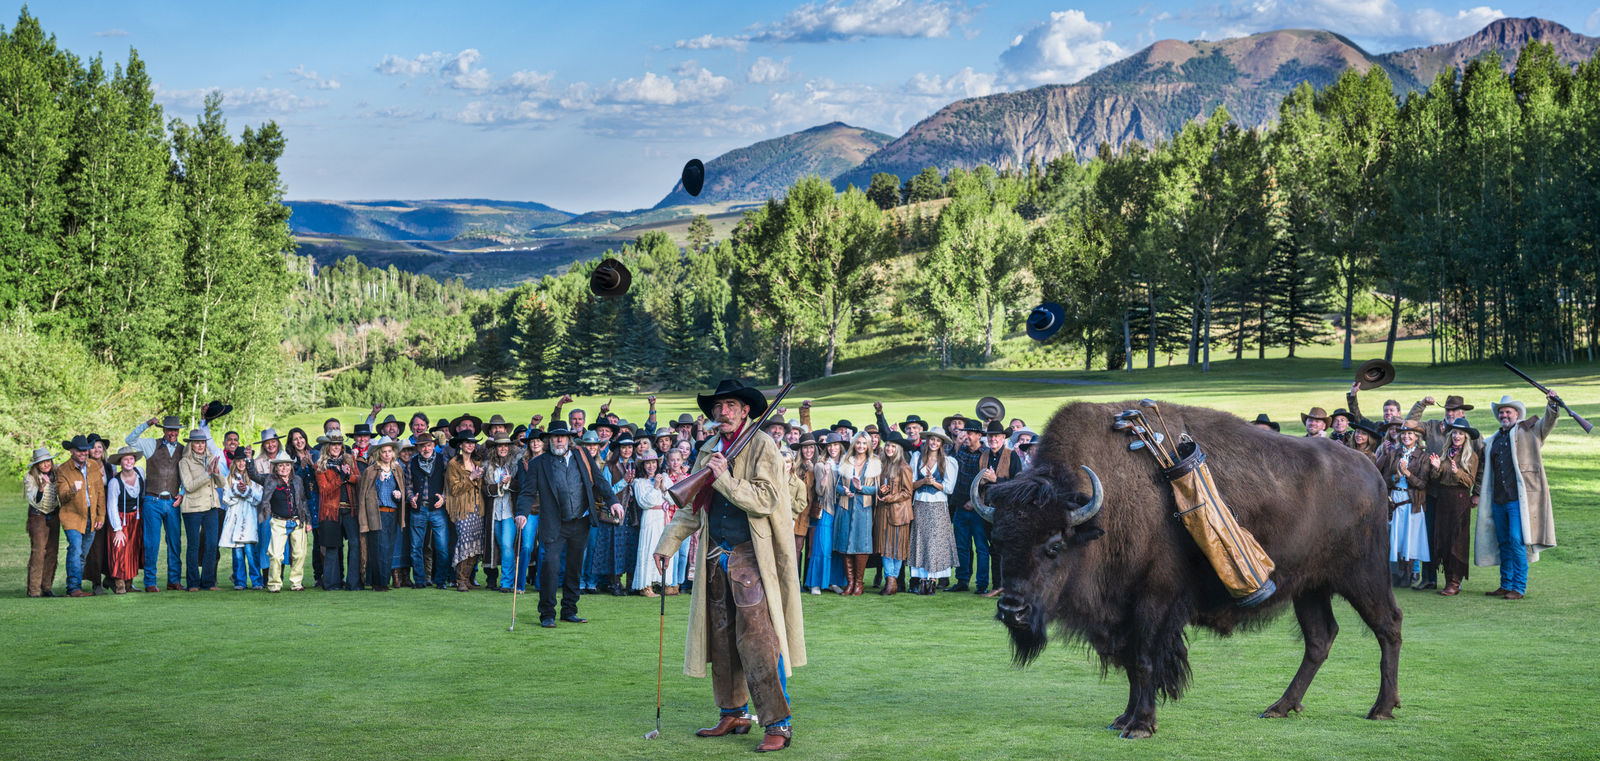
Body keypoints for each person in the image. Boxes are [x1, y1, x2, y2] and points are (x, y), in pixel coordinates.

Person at [651, 378, 805, 752]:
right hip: (716, 556)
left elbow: (767, 499)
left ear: (745, 410)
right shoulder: (708, 449)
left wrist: (726, 479)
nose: (723, 412)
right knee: (720, 639)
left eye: (731, 406)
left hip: (753, 554)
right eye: (718, 407)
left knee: (760, 641)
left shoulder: (763, 444)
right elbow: (692, 506)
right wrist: (667, 543)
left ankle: (778, 724)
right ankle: (732, 712)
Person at [513, 424, 622, 628]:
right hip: (554, 523)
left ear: (569, 439)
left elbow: (599, 481)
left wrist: (613, 501)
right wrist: (521, 513)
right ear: (549, 441)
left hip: (580, 521)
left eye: (562, 437)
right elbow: (527, 492)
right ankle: (547, 614)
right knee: (550, 568)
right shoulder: (538, 463)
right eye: (555, 438)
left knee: (574, 569)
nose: (559, 441)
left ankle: (569, 611)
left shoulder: (582, 456)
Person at [1475, 392, 1562, 601]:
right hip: (1498, 500)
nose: (1504, 415)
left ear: (1516, 414)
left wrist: (1552, 404)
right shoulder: (1493, 440)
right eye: (1501, 412)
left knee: (1516, 541)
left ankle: (1519, 587)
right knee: (1503, 542)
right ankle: (1505, 585)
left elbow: (1548, 422)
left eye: (1508, 412)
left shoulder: (1530, 432)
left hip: (1518, 500)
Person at [125, 415, 186, 592]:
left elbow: (188, 473)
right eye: (169, 430)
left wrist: (182, 493)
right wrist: (147, 424)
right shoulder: (152, 444)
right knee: (151, 543)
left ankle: (173, 580)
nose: (172, 433)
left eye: (175, 430)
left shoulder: (183, 449)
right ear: (164, 430)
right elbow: (130, 440)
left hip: (173, 502)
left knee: (175, 543)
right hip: (152, 500)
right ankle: (150, 582)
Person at [1429, 419, 1482, 597]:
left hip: (1459, 500)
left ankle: (1455, 582)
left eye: (1460, 433)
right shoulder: (1445, 454)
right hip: (1443, 499)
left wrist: (1457, 472)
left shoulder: (1471, 456)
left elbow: (1469, 482)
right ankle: (1448, 580)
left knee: (1457, 541)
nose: (1457, 436)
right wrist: (1436, 468)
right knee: (1443, 539)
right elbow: (1436, 478)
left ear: (1465, 437)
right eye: (1454, 433)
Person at [1378, 420, 1432, 589]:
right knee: (1394, 538)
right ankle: (1394, 574)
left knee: (1409, 539)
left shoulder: (1422, 457)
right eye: (1404, 433)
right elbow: (1385, 480)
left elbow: (1423, 483)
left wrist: (1407, 474)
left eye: (1410, 434)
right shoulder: (1394, 453)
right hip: (1395, 500)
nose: (1406, 436)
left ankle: (1409, 575)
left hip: (1412, 502)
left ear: (1417, 437)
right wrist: (1396, 476)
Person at [906, 427, 958, 594]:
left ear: (941, 443)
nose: (934, 442)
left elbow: (949, 488)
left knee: (935, 542)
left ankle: (933, 579)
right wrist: (924, 482)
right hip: (920, 503)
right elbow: (911, 484)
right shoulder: (916, 458)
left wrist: (933, 482)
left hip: (938, 504)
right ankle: (921, 579)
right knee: (920, 540)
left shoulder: (948, 462)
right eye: (932, 439)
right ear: (927, 441)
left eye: (938, 440)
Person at [976, 420, 1022, 598]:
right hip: (987, 509)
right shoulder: (983, 456)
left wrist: (996, 481)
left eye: (997, 436)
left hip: (1007, 510)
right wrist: (983, 484)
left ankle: (1004, 586)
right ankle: (998, 585)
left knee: (1005, 548)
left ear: (1003, 437)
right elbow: (978, 482)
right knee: (993, 548)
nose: (993, 439)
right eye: (990, 436)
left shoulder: (1013, 456)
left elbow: (1019, 485)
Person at [176, 429, 225, 591]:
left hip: (211, 507)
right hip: (193, 509)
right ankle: (193, 583)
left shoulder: (211, 458)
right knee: (194, 545)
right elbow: (189, 486)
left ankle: (208, 582)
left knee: (211, 544)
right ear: (191, 444)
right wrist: (207, 473)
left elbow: (222, 484)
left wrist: (216, 472)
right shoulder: (185, 462)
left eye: (202, 442)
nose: (200, 445)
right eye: (197, 442)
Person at [313, 431, 363, 591]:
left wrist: (348, 476)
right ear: (327, 446)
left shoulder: (350, 459)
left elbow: (359, 479)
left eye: (339, 444)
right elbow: (324, 489)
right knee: (332, 547)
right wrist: (340, 476)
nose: (336, 447)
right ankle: (331, 583)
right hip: (330, 511)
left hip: (351, 509)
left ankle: (354, 583)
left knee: (355, 544)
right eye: (333, 444)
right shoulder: (320, 465)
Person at [833, 432, 880, 596]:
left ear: (868, 445)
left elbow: (877, 489)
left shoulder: (874, 463)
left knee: (862, 545)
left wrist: (861, 489)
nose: (860, 446)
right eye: (858, 443)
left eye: (864, 443)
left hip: (864, 508)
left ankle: (859, 584)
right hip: (846, 506)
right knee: (845, 545)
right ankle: (850, 583)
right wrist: (844, 490)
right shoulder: (846, 461)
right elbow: (837, 486)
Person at [358, 436, 407, 591]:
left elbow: (401, 490)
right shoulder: (371, 470)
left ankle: (382, 581)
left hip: (392, 512)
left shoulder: (397, 469)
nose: (387, 454)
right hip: (376, 513)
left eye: (389, 451)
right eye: (384, 451)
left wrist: (399, 495)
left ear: (393, 453)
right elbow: (364, 495)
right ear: (379, 453)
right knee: (378, 548)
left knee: (388, 548)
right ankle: (378, 583)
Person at [598, 433, 640, 596]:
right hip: (615, 512)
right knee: (615, 547)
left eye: (630, 447)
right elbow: (607, 491)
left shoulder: (635, 464)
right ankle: (614, 584)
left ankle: (629, 584)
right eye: (624, 447)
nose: (627, 450)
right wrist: (624, 481)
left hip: (632, 512)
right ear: (618, 449)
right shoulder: (610, 466)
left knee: (630, 546)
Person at [803, 433, 846, 595]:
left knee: (836, 549)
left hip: (842, 510)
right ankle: (815, 583)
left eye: (835, 445)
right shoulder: (821, 465)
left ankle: (833, 582)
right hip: (826, 509)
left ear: (840, 446)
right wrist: (827, 474)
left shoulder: (845, 465)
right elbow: (819, 491)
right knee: (822, 547)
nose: (832, 448)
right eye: (830, 445)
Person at [264, 451, 312, 592]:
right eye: (280, 466)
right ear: (276, 467)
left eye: (286, 465)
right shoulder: (270, 480)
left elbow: (303, 501)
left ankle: (296, 583)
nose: (284, 468)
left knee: (299, 553)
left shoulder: (297, 480)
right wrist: (248, 461)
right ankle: (274, 584)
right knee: (275, 554)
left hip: (297, 521)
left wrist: (308, 520)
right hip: (279, 521)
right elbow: (254, 476)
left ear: (291, 466)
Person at [407, 433, 450, 589]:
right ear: (418, 448)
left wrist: (444, 498)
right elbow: (408, 485)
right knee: (415, 548)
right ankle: (420, 580)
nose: (426, 448)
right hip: (418, 509)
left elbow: (449, 483)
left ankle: (440, 580)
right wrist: (411, 497)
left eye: (429, 445)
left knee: (442, 547)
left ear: (434, 446)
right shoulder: (412, 463)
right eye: (423, 446)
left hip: (437, 509)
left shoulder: (442, 460)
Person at [873, 432, 914, 596]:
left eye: (892, 446)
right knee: (884, 547)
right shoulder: (882, 465)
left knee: (897, 548)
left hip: (899, 512)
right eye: (887, 445)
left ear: (898, 449)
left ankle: (891, 580)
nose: (889, 448)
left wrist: (890, 498)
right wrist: (881, 493)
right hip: (883, 512)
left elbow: (907, 492)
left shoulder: (904, 467)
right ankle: (891, 580)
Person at [948, 422, 986, 593]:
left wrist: (974, 500)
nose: (967, 436)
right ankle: (962, 580)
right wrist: (957, 443)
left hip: (979, 508)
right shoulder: (960, 451)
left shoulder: (985, 454)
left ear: (979, 435)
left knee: (980, 546)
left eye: (971, 433)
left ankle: (982, 584)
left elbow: (986, 482)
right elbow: (948, 465)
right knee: (961, 546)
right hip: (960, 506)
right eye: (965, 433)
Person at [102, 446, 146, 594]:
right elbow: (111, 506)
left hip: (136, 517)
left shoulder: (140, 473)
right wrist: (117, 528)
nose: (129, 461)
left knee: (133, 550)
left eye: (131, 458)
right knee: (119, 549)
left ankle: (129, 584)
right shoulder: (115, 482)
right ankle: (119, 583)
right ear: (120, 462)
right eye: (125, 459)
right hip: (120, 518)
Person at [445, 432, 485, 592]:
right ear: (460, 445)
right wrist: (472, 478)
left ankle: (467, 578)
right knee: (464, 541)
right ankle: (460, 579)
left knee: (476, 543)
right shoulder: (453, 464)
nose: (470, 445)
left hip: (478, 507)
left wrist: (478, 477)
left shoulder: (478, 462)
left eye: (473, 442)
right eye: (467, 443)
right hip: (462, 509)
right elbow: (454, 489)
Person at [218, 447, 263, 589]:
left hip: (249, 520)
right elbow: (225, 499)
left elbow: (258, 499)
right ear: (235, 462)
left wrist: (246, 492)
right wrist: (236, 492)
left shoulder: (254, 478)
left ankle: (257, 581)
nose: (241, 463)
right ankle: (239, 581)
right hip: (235, 519)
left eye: (244, 460)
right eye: (239, 460)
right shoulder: (229, 479)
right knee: (237, 554)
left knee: (251, 553)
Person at [483, 435, 523, 593]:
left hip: (509, 512)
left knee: (507, 546)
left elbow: (521, 486)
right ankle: (504, 580)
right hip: (494, 513)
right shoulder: (488, 466)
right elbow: (484, 489)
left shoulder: (516, 465)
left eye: (506, 445)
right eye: (500, 446)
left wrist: (509, 482)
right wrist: (498, 485)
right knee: (499, 547)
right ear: (495, 448)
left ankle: (507, 583)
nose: (503, 448)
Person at [631, 448, 669, 596]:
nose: (651, 466)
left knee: (663, 548)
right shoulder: (639, 482)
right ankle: (645, 585)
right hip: (650, 516)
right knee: (649, 548)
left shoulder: (664, 477)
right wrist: (655, 487)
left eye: (653, 462)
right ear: (643, 465)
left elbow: (672, 499)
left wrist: (663, 487)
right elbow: (644, 503)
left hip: (663, 516)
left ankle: (661, 582)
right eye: (648, 463)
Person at [24, 447, 61, 597]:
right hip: (37, 516)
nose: (46, 464)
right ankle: (33, 590)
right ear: (37, 465)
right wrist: (41, 488)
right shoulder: (30, 477)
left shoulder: (57, 473)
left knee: (52, 552)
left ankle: (46, 587)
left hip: (53, 515)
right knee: (38, 552)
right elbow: (34, 500)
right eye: (42, 462)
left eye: (48, 461)